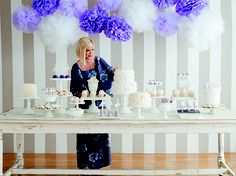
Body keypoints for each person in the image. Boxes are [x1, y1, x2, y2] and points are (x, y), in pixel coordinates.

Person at [70, 37, 115, 169]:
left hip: (100, 106)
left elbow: (110, 74)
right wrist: (85, 93)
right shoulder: (75, 68)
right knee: (85, 135)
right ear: (80, 50)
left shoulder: (99, 61)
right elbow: (74, 89)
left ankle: (101, 164)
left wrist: (115, 72)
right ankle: (85, 164)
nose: (90, 53)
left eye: (92, 50)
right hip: (84, 108)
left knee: (100, 133)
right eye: (87, 50)